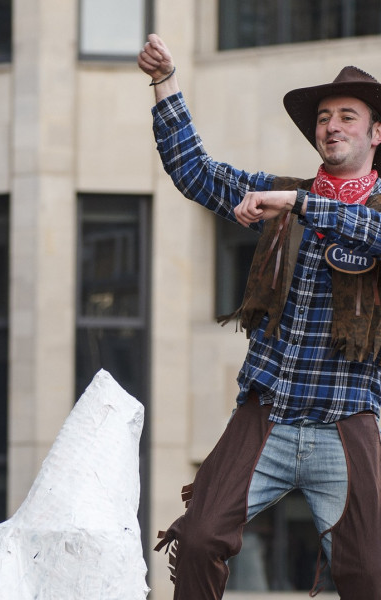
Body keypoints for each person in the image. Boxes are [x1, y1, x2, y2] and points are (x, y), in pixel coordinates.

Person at [138, 34, 381, 599]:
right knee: (197, 540)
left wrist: (297, 203)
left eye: (348, 116)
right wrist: (165, 81)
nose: (332, 125)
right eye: (324, 117)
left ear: (376, 134)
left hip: (346, 420)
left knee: (370, 575)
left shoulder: (311, 205)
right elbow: (194, 171)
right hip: (266, 412)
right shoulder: (279, 199)